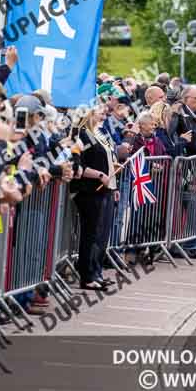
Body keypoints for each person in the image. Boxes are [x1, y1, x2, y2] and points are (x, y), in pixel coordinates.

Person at [70, 105, 119, 291]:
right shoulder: (81, 135)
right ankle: (87, 275)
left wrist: (111, 178)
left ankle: (95, 272)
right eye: (98, 111)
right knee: (90, 235)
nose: (103, 114)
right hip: (89, 191)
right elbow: (79, 166)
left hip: (103, 190)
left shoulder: (97, 133)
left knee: (99, 235)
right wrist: (100, 175)